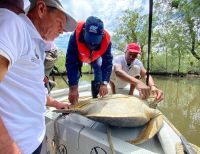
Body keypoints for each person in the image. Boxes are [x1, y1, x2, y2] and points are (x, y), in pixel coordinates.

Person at [0, 0, 77, 153]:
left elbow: (30, 87)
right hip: (17, 145)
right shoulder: (13, 24)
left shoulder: (36, 43)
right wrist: (6, 145)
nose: (62, 31)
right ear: (41, 9)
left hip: (35, 139)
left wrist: (54, 103)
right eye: (60, 23)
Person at [66, 16, 113, 104]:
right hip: (79, 57)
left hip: (95, 58)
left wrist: (104, 83)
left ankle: (96, 96)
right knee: (74, 77)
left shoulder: (107, 41)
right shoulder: (74, 36)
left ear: (102, 35)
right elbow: (71, 63)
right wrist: (73, 88)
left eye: (96, 40)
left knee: (99, 69)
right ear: (84, 31)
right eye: (90, 39)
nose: (92, 44)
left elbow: (107, 63)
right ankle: (74, 96)